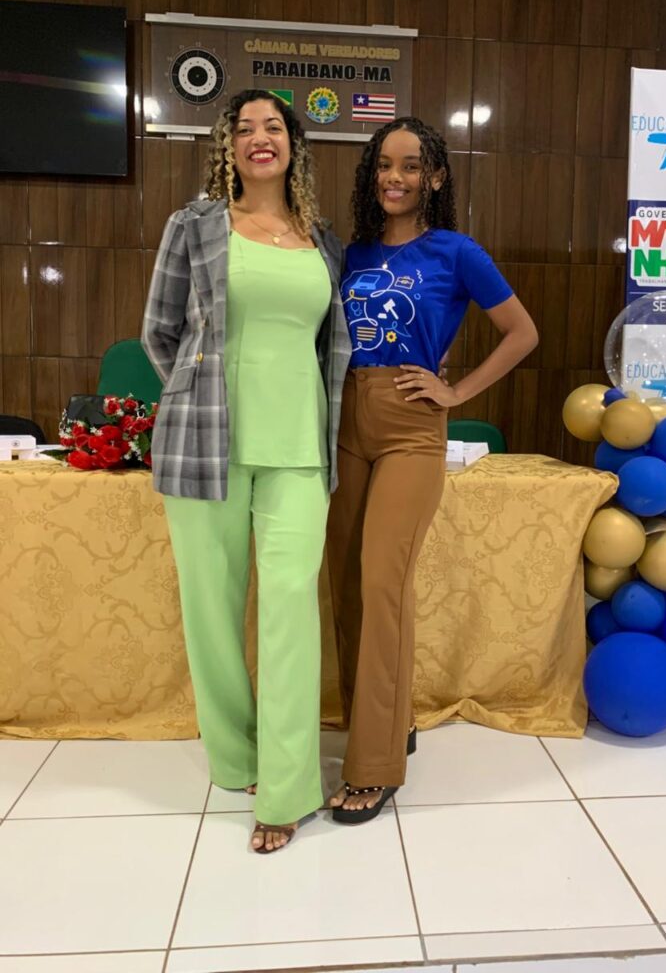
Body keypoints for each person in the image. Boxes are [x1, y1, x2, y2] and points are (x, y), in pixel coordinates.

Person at [142, 89, 351, 853]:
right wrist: (197, 394)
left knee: (290, 606)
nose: (259, 137)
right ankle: (236, 759)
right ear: (226, 146)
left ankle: (287, 788)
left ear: (294, 144)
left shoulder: (323, 242)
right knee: (211, 608)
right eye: (244, 128)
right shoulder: (194, 225)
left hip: (301, 450)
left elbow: (331, 346)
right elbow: (159, 333)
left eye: (273, 126)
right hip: (206, 446)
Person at [327, 116, 539, 822]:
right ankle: (386, 720)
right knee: (346, 583)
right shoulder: (350, 254)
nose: (395, 178)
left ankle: (375, 765)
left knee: (383, 581)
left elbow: (522, 332)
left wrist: (457, 391)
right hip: (344, 421)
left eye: (411, 166)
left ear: (436, 177)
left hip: (411, 427)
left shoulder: (456, 251)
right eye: (384, 165)